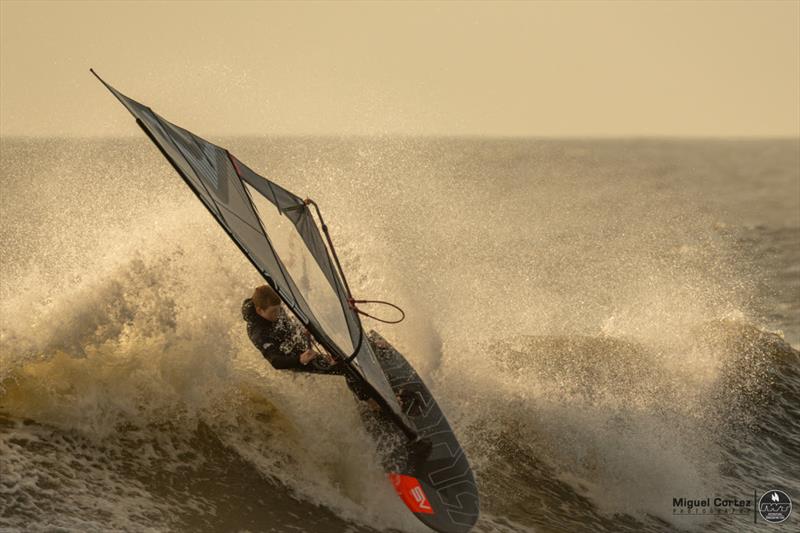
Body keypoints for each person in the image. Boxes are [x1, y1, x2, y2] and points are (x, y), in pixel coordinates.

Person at [241, 284, 337, 373]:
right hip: (280, 352)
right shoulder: (258, 333)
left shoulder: (272, 308)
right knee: (327, 366)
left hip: (282, 333)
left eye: (279, 309)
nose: (278, 314)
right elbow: (275, 361)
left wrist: (301, 330)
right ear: (259, 311)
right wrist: (299, 359)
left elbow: (289, 326)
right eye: (273, 311)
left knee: (308, 340)